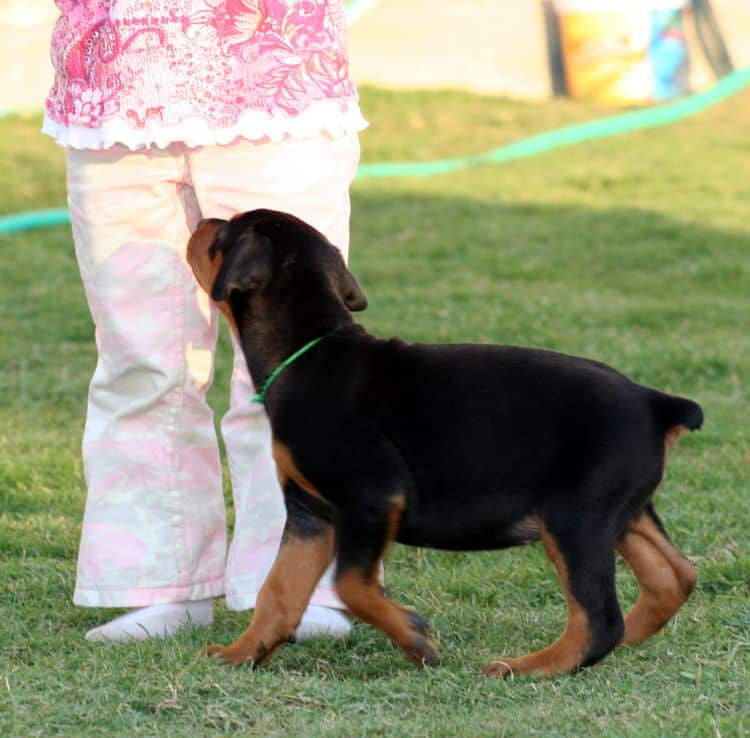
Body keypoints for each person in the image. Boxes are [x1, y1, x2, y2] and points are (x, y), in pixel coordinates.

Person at [43, 0, 367, 642]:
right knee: (140, 362)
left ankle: (297, 587)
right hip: (110, 89)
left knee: (289, 367)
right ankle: (160, 584)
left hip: (275, 85)